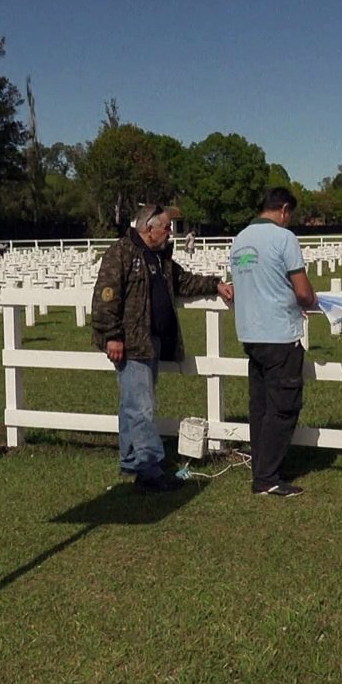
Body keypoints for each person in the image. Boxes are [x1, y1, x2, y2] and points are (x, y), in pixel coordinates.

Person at [91, 204, 234, 492]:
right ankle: (150, 469)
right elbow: (106, 296)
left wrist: (216, 284)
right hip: (131, 342)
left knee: (132, 404)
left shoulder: (160, 258)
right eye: (166, 228)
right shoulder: (121, 253)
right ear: (148, 229)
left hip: (151, 340)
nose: (170, 233)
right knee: (141, 406)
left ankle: (133, 461)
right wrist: (112, 336)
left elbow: (184, 281)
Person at [229, 188, 317, 497]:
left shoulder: (239, 240)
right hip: (280, 333)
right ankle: (268, 477)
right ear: (283, 209)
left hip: (250, 333)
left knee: (261, 407)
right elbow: (303, 292)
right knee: (283, 407)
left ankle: (261, 469)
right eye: (289, 214)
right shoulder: (284, 238)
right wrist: (312, 300)